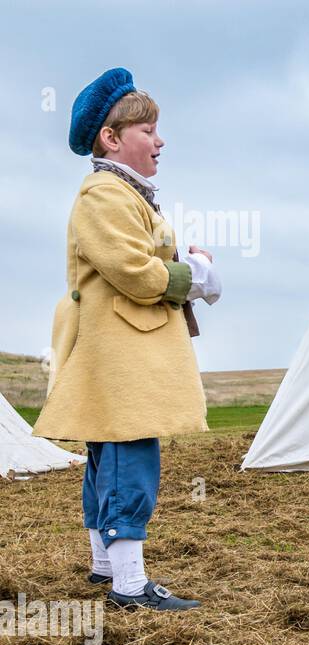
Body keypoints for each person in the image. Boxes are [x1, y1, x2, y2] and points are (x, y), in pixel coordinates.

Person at [32, 68, 222, 611]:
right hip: (120, 355)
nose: (160, 142)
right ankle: (130, 586)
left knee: (108, 458)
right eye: (148, 132)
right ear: (111, 138)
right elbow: (134, 271)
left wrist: (185, 262)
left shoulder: (124, 193)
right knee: (128, 459)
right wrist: (192, 276)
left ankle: (104, 567)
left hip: (122, 351)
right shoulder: (103, 194)